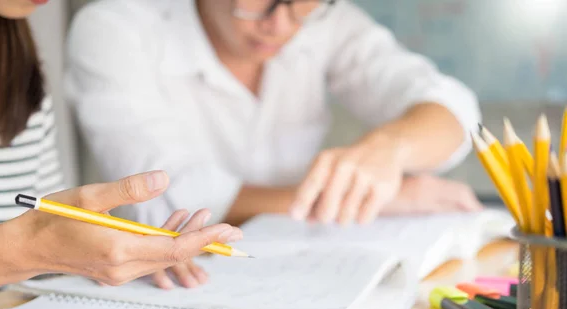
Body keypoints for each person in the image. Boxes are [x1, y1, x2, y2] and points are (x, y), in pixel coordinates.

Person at [66, 0, 484, 231]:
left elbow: (454, 109)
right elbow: (164, 200)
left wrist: (390, 148)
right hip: (169, 283)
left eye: (300, 4)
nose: (280, 24)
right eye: (258, 1)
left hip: (299, 269)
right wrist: (380, 199)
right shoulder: (115, 28)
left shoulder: (325, 18)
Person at [0, 0, 242, 300]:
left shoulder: (16, 64)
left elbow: (50, 229)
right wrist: (30, 249)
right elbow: (37, 243)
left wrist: (116, 252)